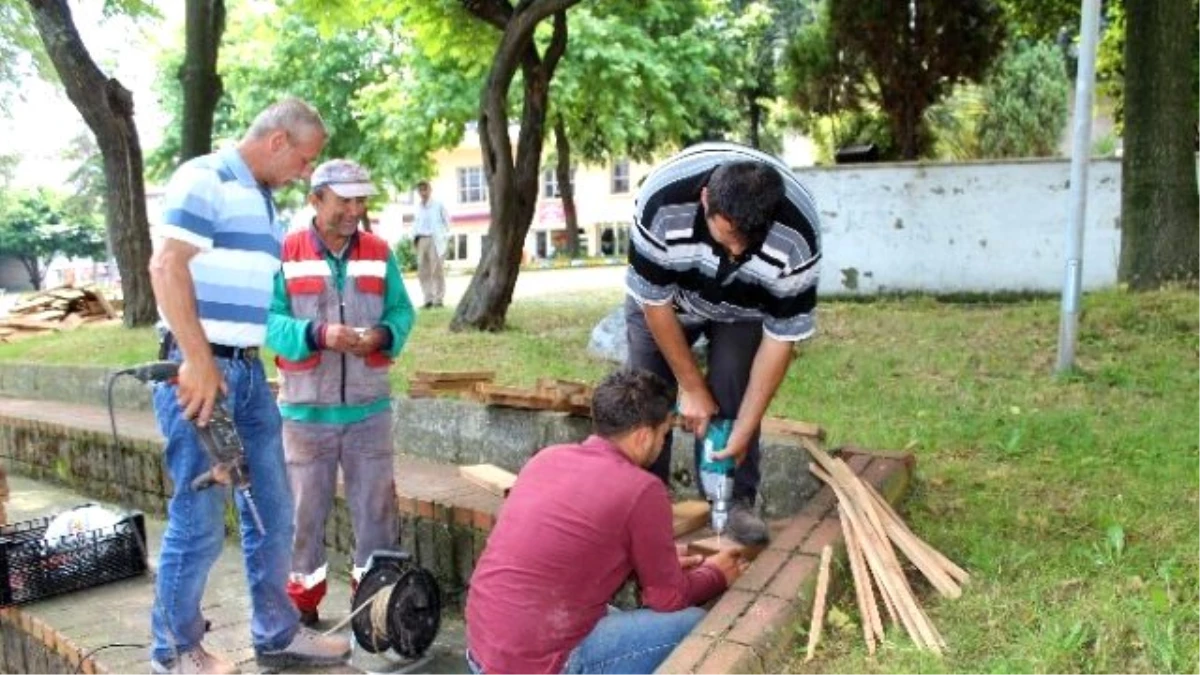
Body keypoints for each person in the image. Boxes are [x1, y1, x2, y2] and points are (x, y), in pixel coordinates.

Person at [147, 98, 351, 674]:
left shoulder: (260, 200)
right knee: (199, 521)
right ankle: (174, 651)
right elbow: (166, 267)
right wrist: (198, 359)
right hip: (200, 375)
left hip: (245, 373)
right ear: (279, 141)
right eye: (306, 159)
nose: (307, 173)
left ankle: (277, 633)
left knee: (273, 512)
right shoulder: (204, 178)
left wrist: (251, 363)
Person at [465, 369, 747, 675]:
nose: (662, 444)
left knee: (605, 612)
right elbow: (668, 598)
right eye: (664, 434)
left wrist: (657, 564)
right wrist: (716, 574)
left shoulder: (546, 458)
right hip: (539, 664)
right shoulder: (642, 488)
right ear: (643, 436)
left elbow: (569, 554)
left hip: (483, 651)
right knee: (693, 625)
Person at [625, 141, 821, 546]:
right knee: (645, 390)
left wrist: (745, 428)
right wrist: (691, 387)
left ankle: (735, 501)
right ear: (704, 200)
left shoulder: (798, 236)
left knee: (733, 383)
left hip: (744, 309)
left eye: (748, 241)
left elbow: (780, 338)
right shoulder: (660, 203)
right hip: (669, 302)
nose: (736, 250)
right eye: (728, 234)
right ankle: (643, 503)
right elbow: (654, 302)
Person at [266, 158, 415, 626]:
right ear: (315, 200)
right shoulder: (284, 253)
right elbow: (267, 321)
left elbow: (401, 312)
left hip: (369, 412)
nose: (355, 210)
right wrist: (317, 334)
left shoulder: (377, 251)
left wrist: (383, 335)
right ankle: (300, 608)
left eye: (361, 200)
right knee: (302, 516)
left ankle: (374, 608)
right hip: (306, 413)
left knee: (377, 515)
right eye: (344, 201)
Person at [412, 180, 449, 308]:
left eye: (425, 189)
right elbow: (415, 224)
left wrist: (444, 237)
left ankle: (438, 299)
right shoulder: (417, 207)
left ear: (430, 190)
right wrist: (414, 240)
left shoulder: (438, 205)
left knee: (436, 270)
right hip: (421, 239)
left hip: (435, 239)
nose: (423, 192)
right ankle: (428, 299)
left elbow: (447, 222)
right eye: (420, 190)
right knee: (423, 270)